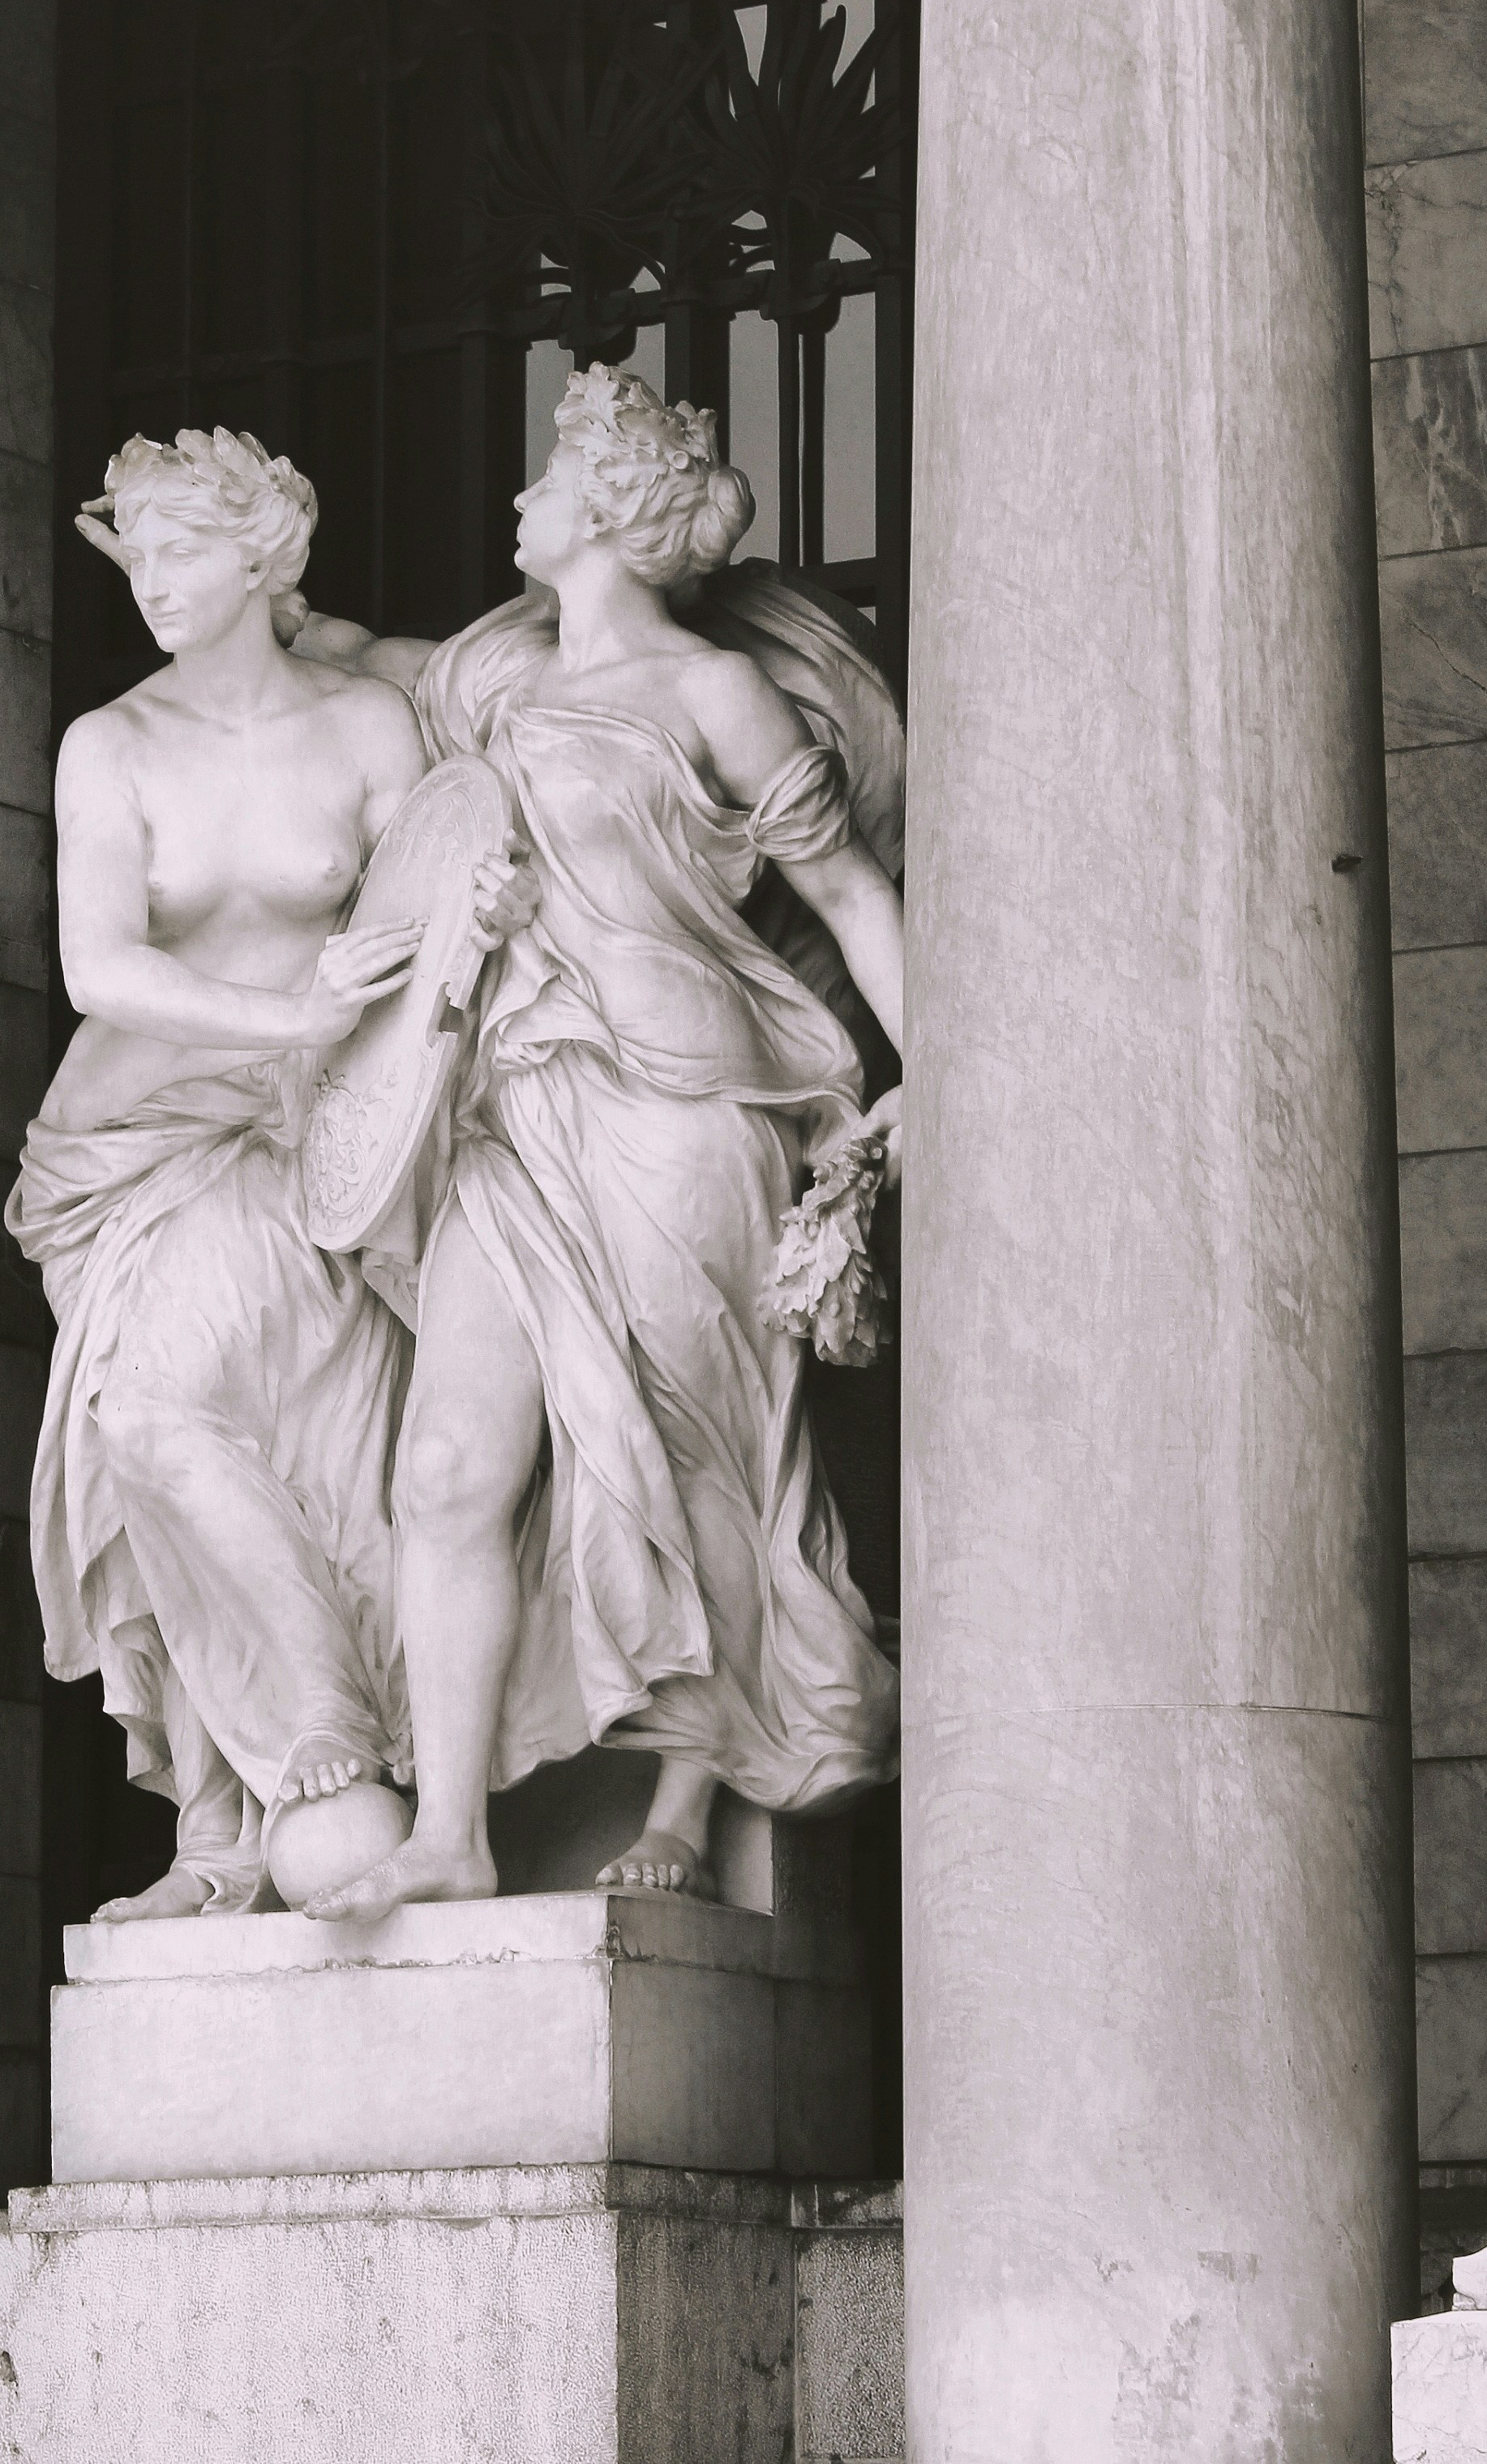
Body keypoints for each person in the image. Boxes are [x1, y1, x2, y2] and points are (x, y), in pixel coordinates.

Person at [288, 364, 904, 1919]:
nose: (515, 497)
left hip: (681, 1102)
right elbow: (367, 671)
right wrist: (252, 605)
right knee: (442, 1469)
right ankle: (447, 1832)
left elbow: (844, 899)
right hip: (514, 1107)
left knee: (699, 1457)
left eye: (548, 472)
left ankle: (691, 1797)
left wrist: (939, 1075)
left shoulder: (713, 691)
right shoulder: (495, 685)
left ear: (613, 506)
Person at [11, 426, 533, 1917]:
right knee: (153, 1427)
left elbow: (441, 887)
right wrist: (283, 1012)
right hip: (134, 1148)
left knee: (286, 1444)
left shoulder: (368, 730)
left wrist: (474, 916)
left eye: (180, 551)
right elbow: (99, 964)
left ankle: (243, 1822)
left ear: (265, 556)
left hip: (318, 1147)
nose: (152, 585)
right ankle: (293, 1754)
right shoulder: (111, 745)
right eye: (139, 556)